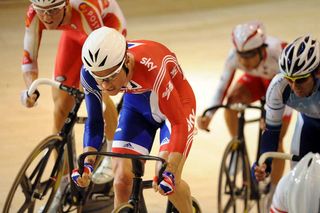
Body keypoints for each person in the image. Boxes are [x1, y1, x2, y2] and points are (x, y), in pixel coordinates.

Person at [71, 26, 196, 212]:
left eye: (111, 77)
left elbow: (178, 123)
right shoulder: (89, 74)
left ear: (127, 62)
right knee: (122, 180)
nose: (105, 85)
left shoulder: (152, 67)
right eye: (100, 79)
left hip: (176, 107)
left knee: (165, 178)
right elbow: (95, 122)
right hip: (137, 108)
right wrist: (87, 164)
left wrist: (171, 169)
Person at [20, 0, 126, 211]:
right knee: (60, 106)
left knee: (101, 96)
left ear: (66, 5)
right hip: (74, 34)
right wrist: (30, 89)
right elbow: (29, 57)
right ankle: (64, 184)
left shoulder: (84, 9)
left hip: (105, 30)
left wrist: (92, 86)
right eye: (42, 12)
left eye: (53, 11)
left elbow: (100, 56)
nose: (47, 17)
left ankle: (113, 153)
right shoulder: (34, 14)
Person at [197, 20, 291, 188]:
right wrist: (209, 115)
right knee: (232, 102)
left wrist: (273, 119)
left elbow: (291, 92)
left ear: (262, 49)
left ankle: (275, 191)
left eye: (249, 56)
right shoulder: (233, 55)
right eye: (241, 56)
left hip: (282, 85)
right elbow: (222, 87)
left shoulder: (280, 52)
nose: (245, 61)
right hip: (257, 80)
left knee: (276, 140)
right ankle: (237, 150)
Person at [254, 35, 320, 184]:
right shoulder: (279, 86)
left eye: (301, 79)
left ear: (316, 73)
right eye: (290, 79)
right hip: (308, 126)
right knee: (298, 181)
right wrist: (265, 164)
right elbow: (271, 132)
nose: (294, 87)